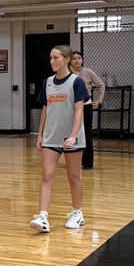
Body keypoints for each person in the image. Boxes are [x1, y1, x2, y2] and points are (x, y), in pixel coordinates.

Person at [29, 46, 88, 233]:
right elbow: (46, 110)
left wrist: (73, 135)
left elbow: (79, 111)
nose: (52, 61)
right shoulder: (47, 82)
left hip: (71, 138)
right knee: (46, 176)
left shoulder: (76, 82)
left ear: (67, 59)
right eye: (50, 58)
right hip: (51, 137)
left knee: (73, 177)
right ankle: (43, 216)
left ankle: (77, 213)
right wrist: (40, 134)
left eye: (56, 58)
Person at [70, 51, 105, 170]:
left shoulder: (88, 72)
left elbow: (100, 85)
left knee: (86, 133)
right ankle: (74, 161)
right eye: (74, 58)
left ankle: (88, 162)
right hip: (71, 106)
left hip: (86, 105)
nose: (76, 60)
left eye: (79, 58)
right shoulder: (67, 73)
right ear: (69, 60)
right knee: (72, 133)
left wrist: (99, 100)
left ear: (82, 60)